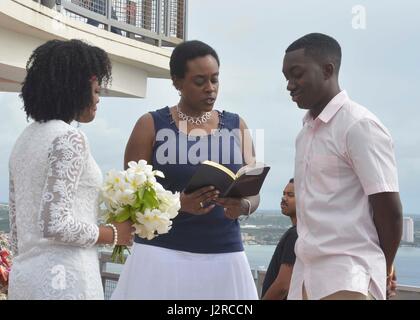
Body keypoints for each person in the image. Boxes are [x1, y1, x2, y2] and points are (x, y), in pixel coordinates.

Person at [111, 40, 259, 299]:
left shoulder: (238, 125)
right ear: (177, 82)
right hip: (161, 255)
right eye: (200, 81)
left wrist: (244, 206)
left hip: (225, 256)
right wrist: (179, 203)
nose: (210, 89)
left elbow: (254, 190)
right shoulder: (150, 125)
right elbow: (130, 202)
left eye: (215, 80)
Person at [8, 39, 133, 300]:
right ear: (75, 88)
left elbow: (17, 232)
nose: (99, 99)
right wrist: (113, 233)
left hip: (25, 278)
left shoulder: (24, 140)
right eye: (96, 91)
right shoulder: (69, 137)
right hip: (66, 278)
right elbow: (55, 224)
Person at [282, 33, 403, 300]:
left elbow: (389, 209)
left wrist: (384, 267)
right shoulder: (304, 134)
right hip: (305, 273)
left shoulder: (359, 125)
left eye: (297, 74)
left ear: (328, 70)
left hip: (348, 272)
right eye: (286, 77)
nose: (289, 85)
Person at [261, 178, 297, 300]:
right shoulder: (305, 232)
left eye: (290, 195)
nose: (284, 198)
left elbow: (282, 286)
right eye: (284, 194)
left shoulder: (295, 234)